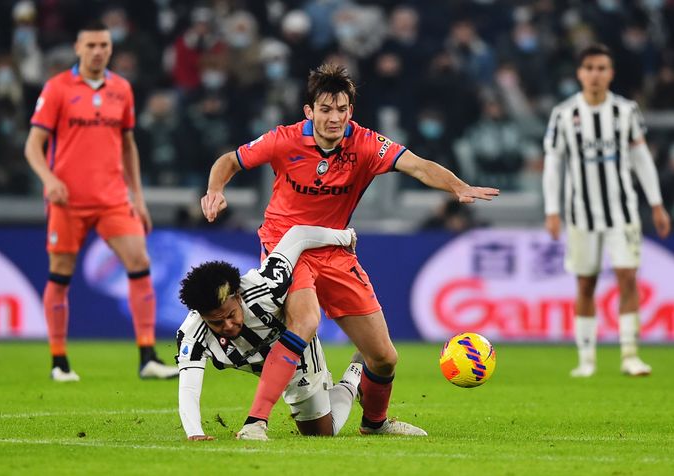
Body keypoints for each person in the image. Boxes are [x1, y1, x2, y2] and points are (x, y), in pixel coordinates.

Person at [200, 64, 498, 439]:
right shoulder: (283, 140)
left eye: (341, 109)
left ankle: (374, 424)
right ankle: (255, 423)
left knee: (384, 357)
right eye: (325, 109)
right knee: (305, 323)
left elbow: (418, 167)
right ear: (309, 111)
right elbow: (228, 161)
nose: (334, 117)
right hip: (287, 247)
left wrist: (457, 187)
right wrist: (215, 190)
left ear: (350, 112)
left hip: (335, 248)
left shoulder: (367, 144)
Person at [24, 21, 178, 382]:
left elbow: (127, 146)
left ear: (111, 49)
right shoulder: (57, 88)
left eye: (104, 45)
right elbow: (33, 145)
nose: (97, 51)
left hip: (112, 198)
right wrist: (49, 180)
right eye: (91, 44)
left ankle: (148, 357)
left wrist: (138, 198)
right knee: (60, 275)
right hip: (68, 201)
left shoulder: (121, 89)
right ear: (78, 48)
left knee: (140, 262)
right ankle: (59, 362)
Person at [542, 44, 671, 378]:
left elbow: (641, 159)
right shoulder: (564, 114)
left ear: (611, 73)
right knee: (586, 284)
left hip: (622, 211)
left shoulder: (625, 112)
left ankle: (630, 354)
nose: (595, 74)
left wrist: (656, 204)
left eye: (601, 68)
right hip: (581, 214)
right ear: (580, 73)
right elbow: (553, 165)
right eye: (589, 67)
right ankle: (586, 359)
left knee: (628, 278)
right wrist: (552, 209)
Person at [177, 225, 362, 440]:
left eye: (231, 315)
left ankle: (354, 375)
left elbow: (298, 236)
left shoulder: (264, 287)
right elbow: (189, 387)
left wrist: (345, 236)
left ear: (238, 296)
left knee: (321, 432)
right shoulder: (192, 335)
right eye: (216, 323)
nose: (227, 326)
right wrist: (195, 433)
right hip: (261, 366)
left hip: (296, 356)